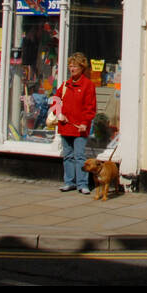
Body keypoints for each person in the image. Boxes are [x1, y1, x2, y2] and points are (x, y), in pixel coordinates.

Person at [57, 53, 97, 194]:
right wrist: (58, 113)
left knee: (79, 156)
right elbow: (56, 100)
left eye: (74, 66)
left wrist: (85, 122)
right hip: (65, 126)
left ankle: (82, 184)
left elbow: (90, 107)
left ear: (82, 67)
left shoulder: (88, 85)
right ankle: (69, 182)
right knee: (67, 156)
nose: (71, 68)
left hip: (80, 128)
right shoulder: (66, 84)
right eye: (70, 66)